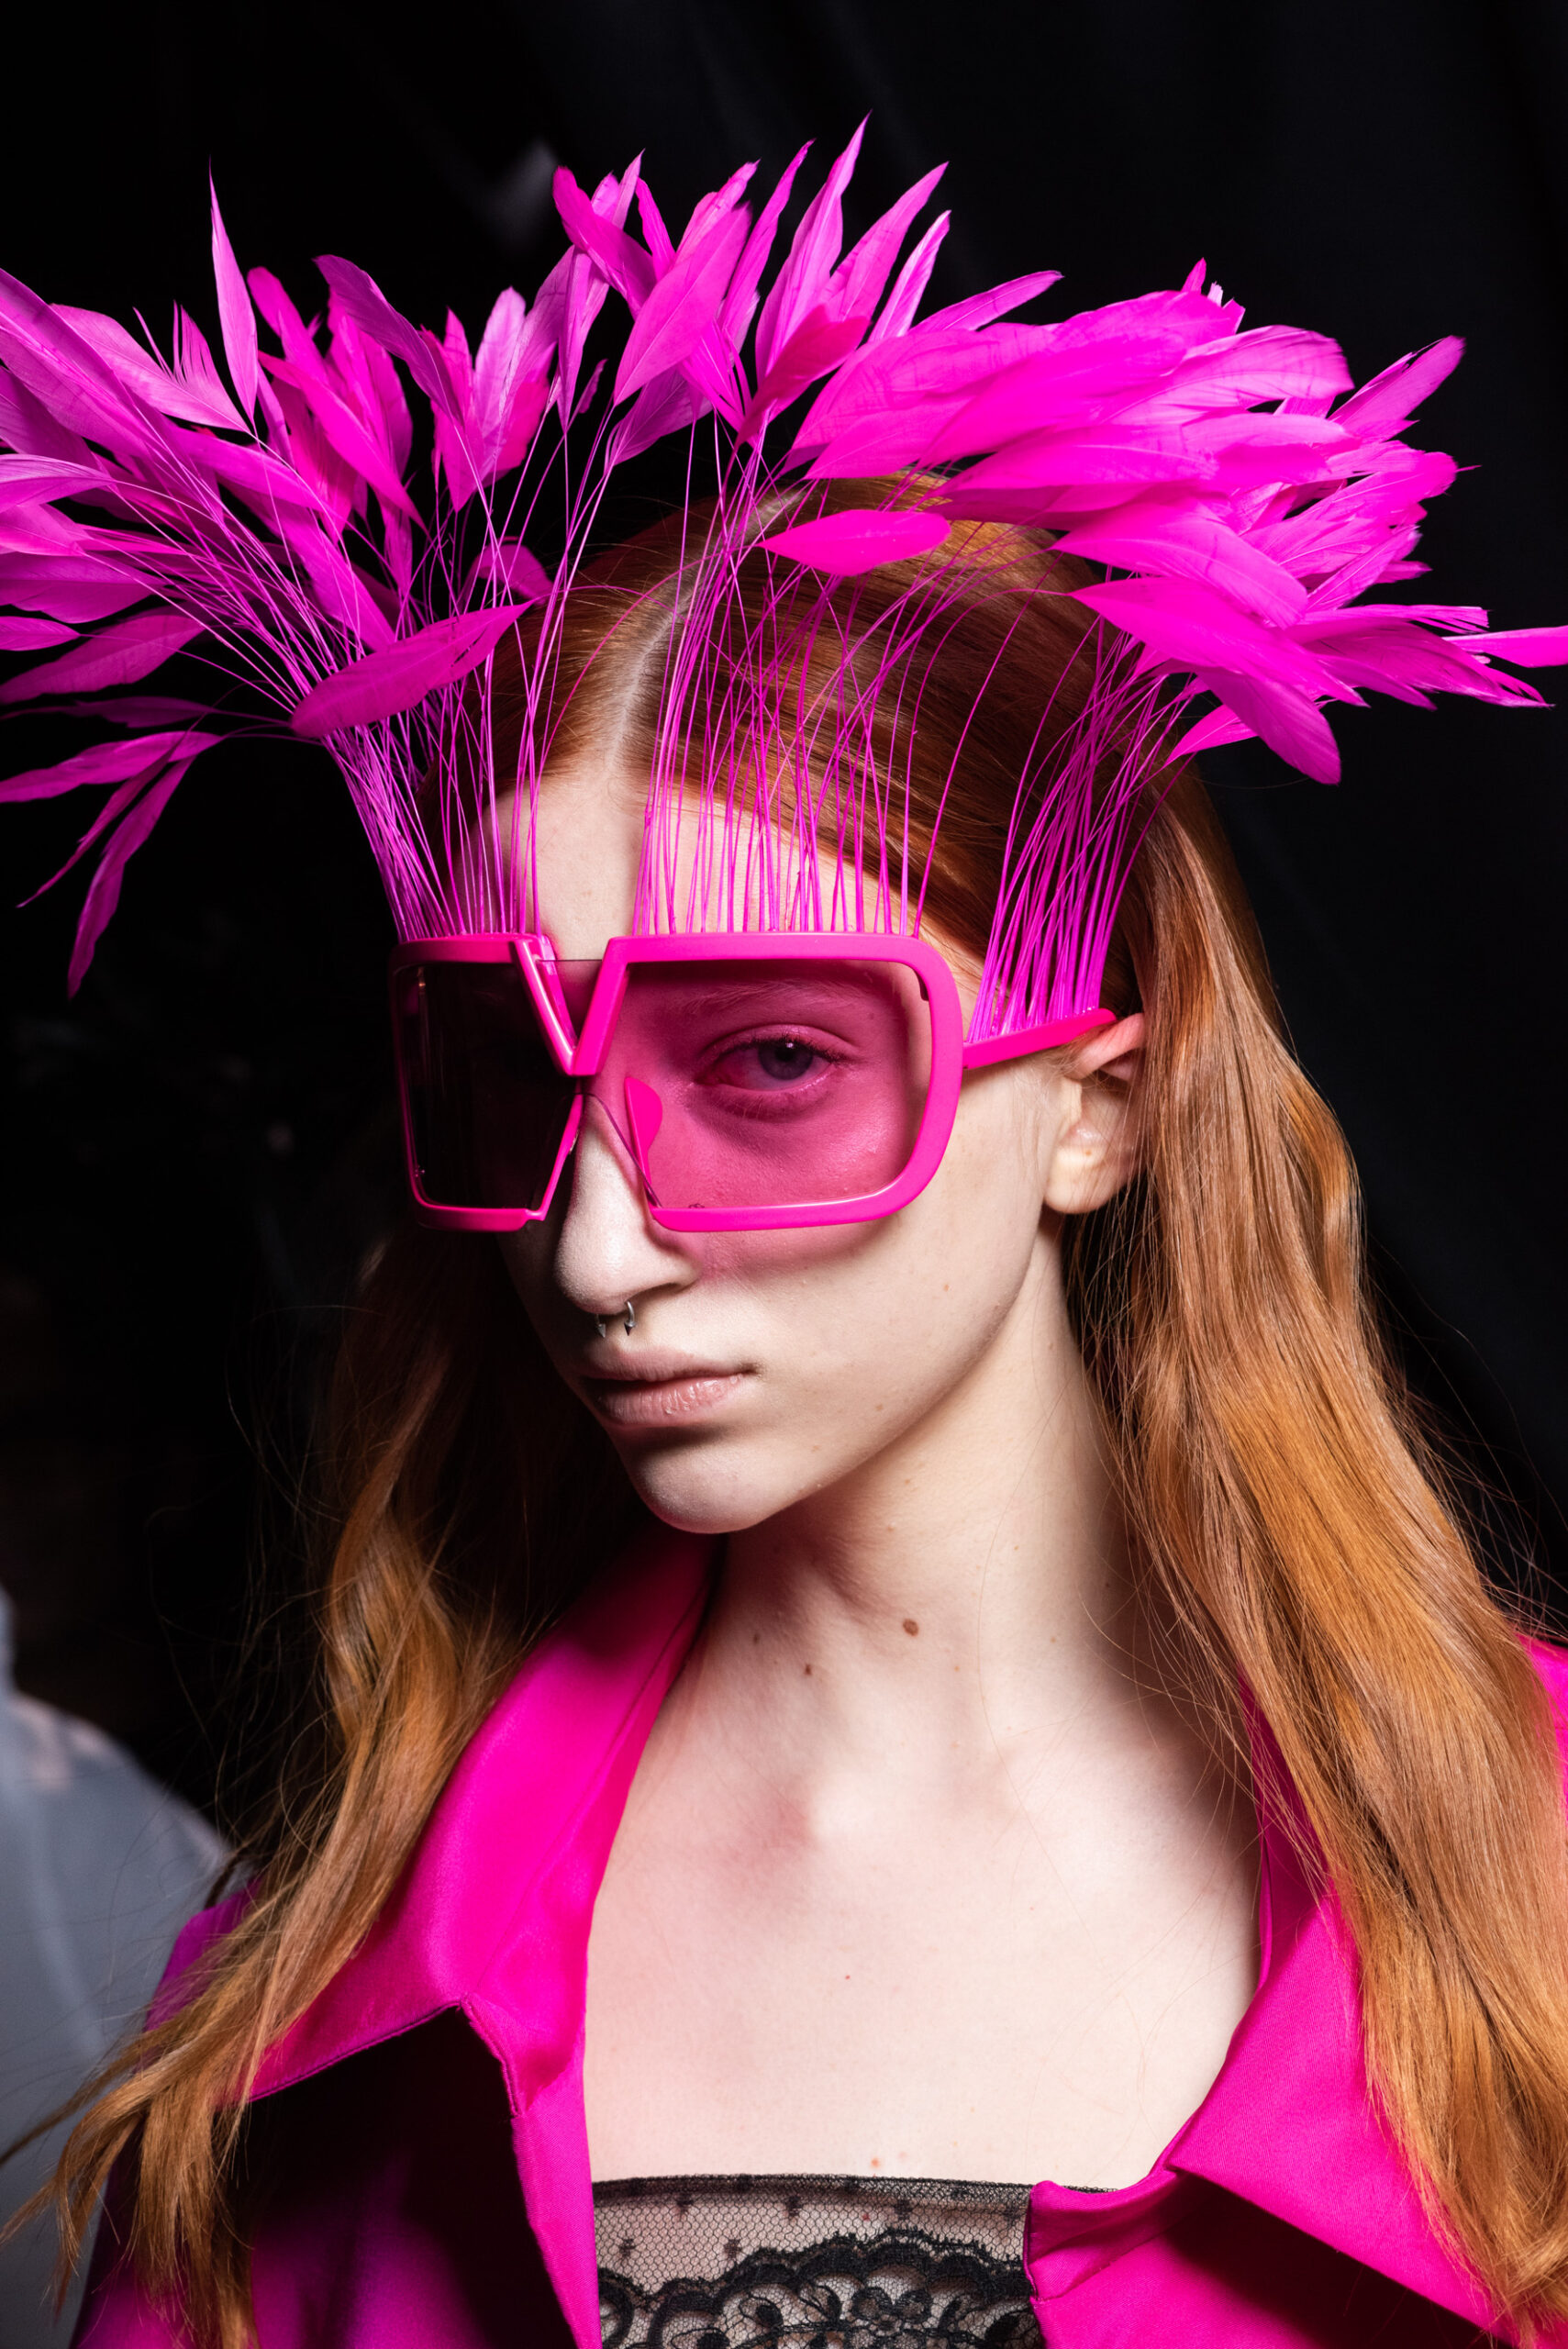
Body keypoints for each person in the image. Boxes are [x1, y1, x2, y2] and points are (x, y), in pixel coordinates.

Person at [5, 130, 1568, 2349]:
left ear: (1097, 1105)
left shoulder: (1531, 1877)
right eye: (507, 1071)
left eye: (764, 1062)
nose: (596, 1247)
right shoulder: (317, 1979)